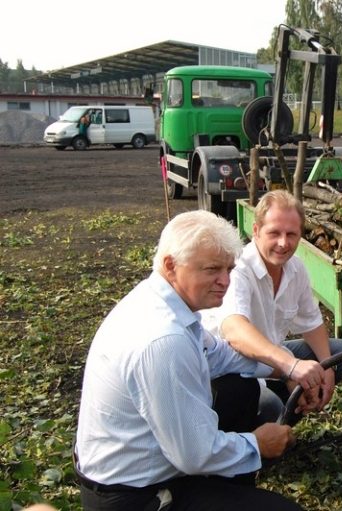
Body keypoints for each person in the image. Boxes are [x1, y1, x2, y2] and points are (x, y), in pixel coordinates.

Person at [74, 210, 303, 511]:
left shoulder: (161, 302)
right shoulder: (164, 340)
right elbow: (195, 454)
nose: (225, 281)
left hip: (149, 466)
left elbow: (218, 354)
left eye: (229, 269)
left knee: (239, 389)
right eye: (212, 270)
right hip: (134, 495)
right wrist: (257, 444)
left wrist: (286, 368)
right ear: (171, 265)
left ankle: (228, 488)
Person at [203, 190, 342, 424]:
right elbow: (234, 332)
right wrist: (290, 369)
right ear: (256, 231)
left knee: (339, 354)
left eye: (291, 234)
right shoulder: (239, 268)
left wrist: (327, 370)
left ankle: (285, 418)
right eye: (274, 233)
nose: (283, 243)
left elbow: (312, 323)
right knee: (268, 405)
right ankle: (259, 433)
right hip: (228, 368)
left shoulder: (296, 268)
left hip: (273, 359)